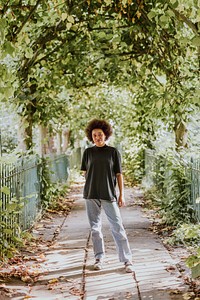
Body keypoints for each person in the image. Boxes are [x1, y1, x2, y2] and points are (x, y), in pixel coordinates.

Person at [81, 118, 133, 273]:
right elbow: (86, 173)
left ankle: (127, 260)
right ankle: (99, 257)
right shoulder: (88, 152)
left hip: (109, 194)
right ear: (91, 136)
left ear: (106, 135)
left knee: (117, 227)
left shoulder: (113, 152)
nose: (97, 137)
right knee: (95, 229)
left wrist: (121, 195)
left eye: (100, 134)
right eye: (94, 135)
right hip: (91, 195)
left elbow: (119, 174)